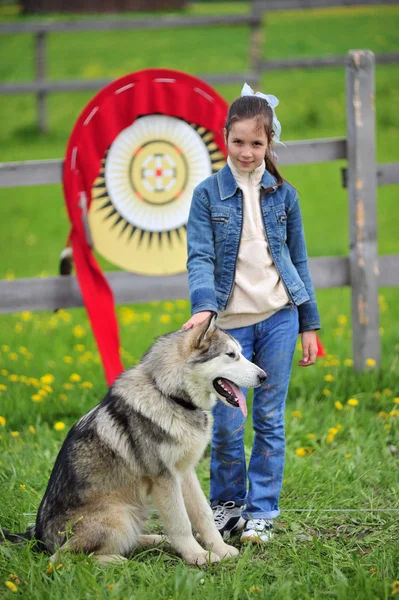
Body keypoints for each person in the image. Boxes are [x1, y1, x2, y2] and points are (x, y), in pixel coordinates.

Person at [182, 83, 321, 544]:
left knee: (269, 420)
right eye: (238, 141)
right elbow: (199, 256)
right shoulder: (206, 196)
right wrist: (204, 307)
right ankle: (227, 505)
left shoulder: (285, 196)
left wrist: (309, 323)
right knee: (225, 425)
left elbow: (298, 262)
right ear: (224, 137)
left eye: (256, 143)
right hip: (229, 331)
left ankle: (262, 511)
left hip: (280, 319)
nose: (246, 152)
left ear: (269, 143)